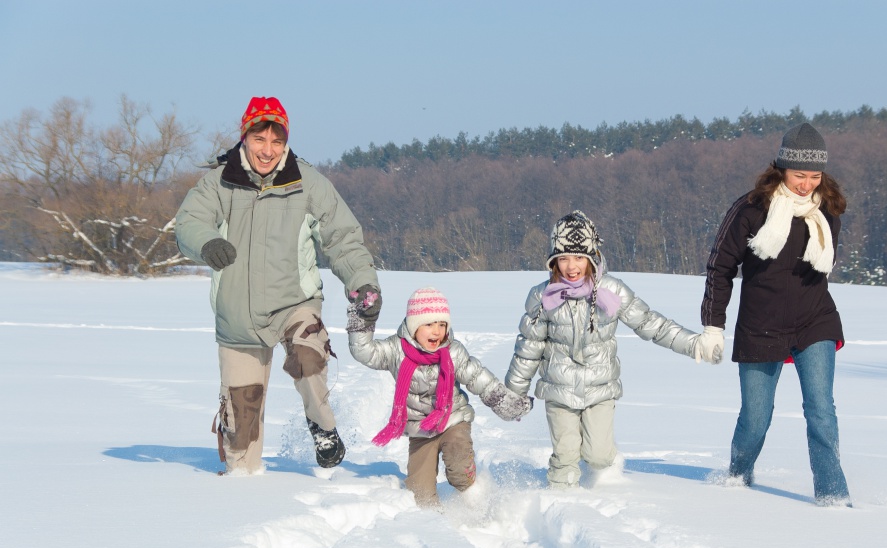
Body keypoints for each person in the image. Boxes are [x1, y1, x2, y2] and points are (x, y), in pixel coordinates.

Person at [175, 96, 382, 475]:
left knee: (308, 354)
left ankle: (323, 428)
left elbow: (342, 239)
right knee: (241, 428)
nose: (267, 151)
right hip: (237, 314)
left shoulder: (308, 183)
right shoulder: (220, 182)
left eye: (276, 141)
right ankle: (244, 488)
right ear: (244, 138)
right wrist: (207, 243)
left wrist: (363, 282)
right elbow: (188, 222)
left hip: (294, 303)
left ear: (286, 142)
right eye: (259, 139)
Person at [696, 123, 852, 506]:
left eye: (815, 176)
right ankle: (737, 478)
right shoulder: (751, 209)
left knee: (821, 411)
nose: (806, 184)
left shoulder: (826, 209)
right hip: (760, 326)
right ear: (782, 168)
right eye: (800, 175)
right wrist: (713, 325)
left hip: (815, 320)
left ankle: (833, 496)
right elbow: (720, 267)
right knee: (756, 418)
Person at [505, 211, 703, 488]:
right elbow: (528, 348)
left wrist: (694, 344)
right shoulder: (544, 296)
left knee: (598, 456)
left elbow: (649, 323)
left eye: (578, 258)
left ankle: (603, 479)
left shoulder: (611, 291)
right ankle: (560, 506)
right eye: (563, 258)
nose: (571, 266)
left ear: (591, 257)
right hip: (558, 389)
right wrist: (513, 394)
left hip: (600, 388)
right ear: (553, 261)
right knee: (565, 457)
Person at [347, 287, 532, 507]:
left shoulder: (453, 351)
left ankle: (474, 491)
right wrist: (361, 317)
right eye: (429, 324)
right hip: (419, 428)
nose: (437, 331)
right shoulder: (396, 350)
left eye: (442, 324)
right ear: (414, 325)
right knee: (420, 494)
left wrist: (505, 403)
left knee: (458, 467)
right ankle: (434, 527)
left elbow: (478, 378)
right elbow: (363, 352)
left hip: (452, 419)